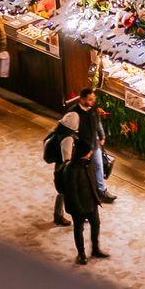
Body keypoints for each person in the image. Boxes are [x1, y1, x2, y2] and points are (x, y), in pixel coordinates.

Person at [48, 111, 107, 265]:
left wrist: (97, 198)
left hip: (91, 203)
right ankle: (81, 254)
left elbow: (93, 183)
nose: (91, 153)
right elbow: (71, 192)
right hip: (79, 206)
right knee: (78, 229)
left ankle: (95, 249)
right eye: (89, 152)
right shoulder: (71, 169)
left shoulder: (87, 165)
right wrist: (78, 210)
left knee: (95, 225)